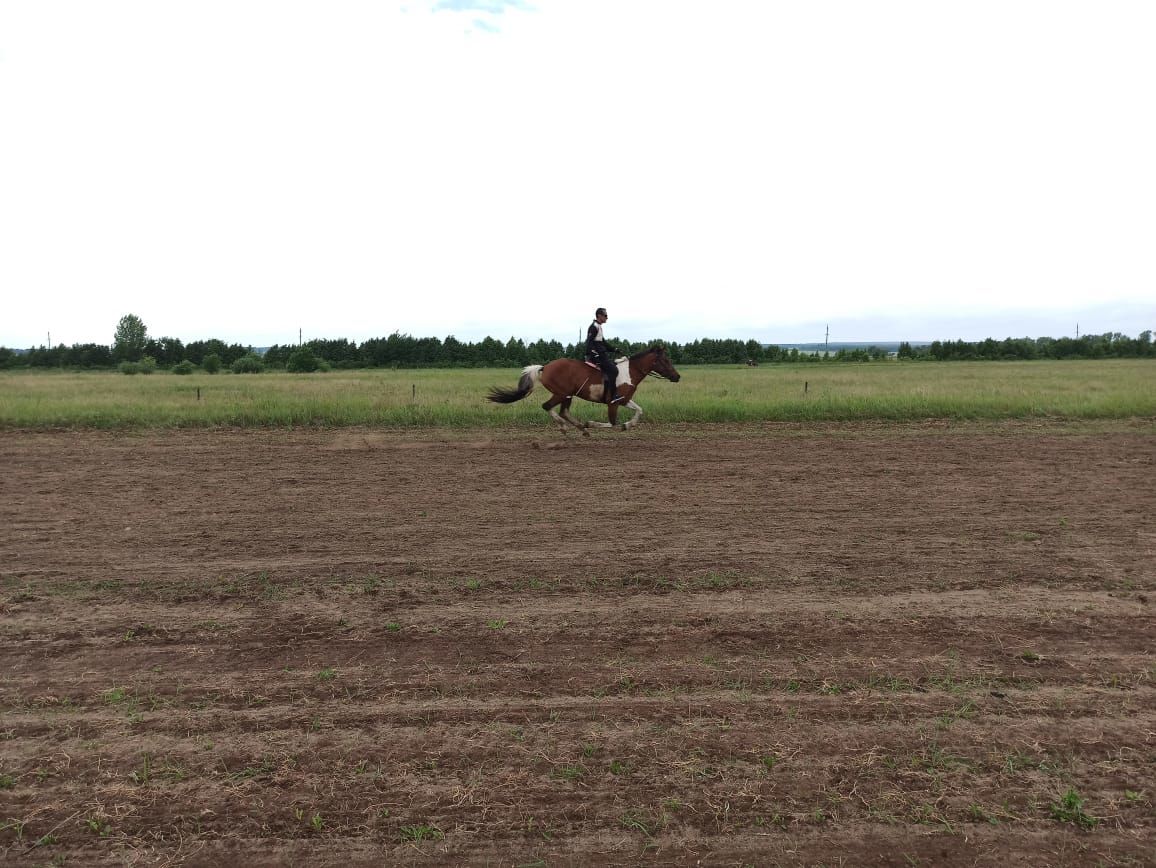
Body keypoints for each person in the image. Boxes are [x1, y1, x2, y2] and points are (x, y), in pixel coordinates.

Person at [586, 307, 624, 403]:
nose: (607, 318)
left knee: (613, 368)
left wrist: (614, 349)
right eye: (605, 315)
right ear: (599, 316)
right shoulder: (594, 326)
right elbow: (589, 343)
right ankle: (613, 395)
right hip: (598, 355)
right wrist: (595, 355)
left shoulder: (599, 327)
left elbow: (603, 343)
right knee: (614, 370)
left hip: (602, 354)